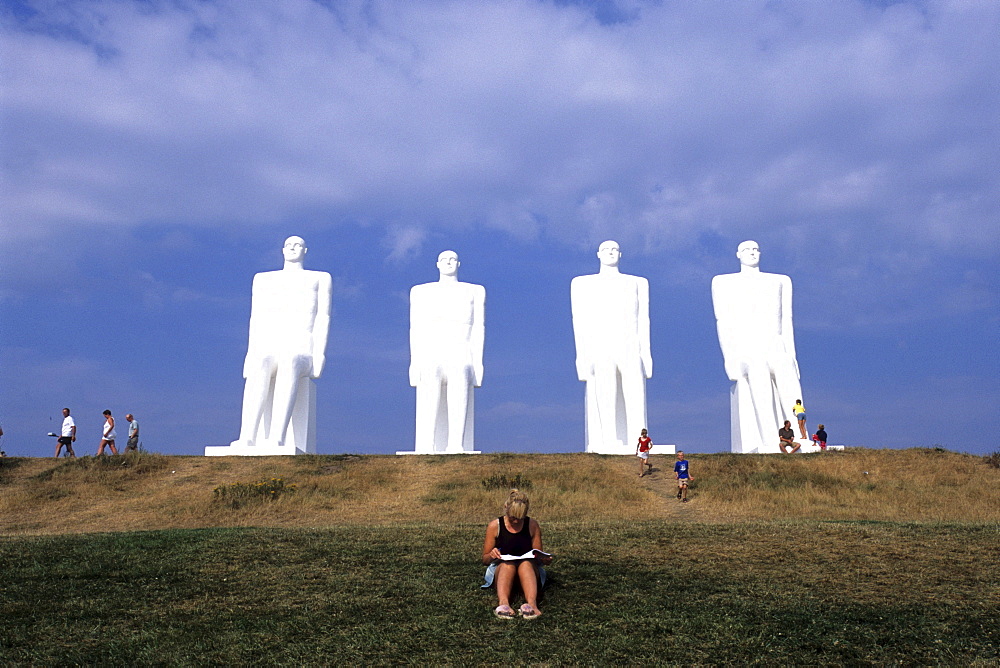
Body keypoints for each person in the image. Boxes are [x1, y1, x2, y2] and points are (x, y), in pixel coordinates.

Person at [232, 236, 332, 450]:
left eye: (298, 245)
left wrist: (319, 355)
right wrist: (250, 354)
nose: (293, 248)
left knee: (290, 360)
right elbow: (255, 317)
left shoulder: (319, 278)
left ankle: (277, 436)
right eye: (288, 245)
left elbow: (324, 317)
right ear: (282, 250)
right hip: (269, 346)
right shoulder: (263, 279)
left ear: (305, 251)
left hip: (302, 349)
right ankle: (247, 436)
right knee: (261, 363)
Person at [712, 241, 804, 453]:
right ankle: (770, 438)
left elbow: (786, 322)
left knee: (783, 364)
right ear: (738, 255)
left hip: (774, 346)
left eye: (755, 249)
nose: (752, 253)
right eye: (747, 250)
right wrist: (730, 358)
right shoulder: (724, 282)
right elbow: (722, 321)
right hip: (746, 350)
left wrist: (792, 356)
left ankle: (799, 435)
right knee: (758, 368)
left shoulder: (780, 281)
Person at [571, 240, 652, 453]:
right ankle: (608, 439)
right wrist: (582, 357)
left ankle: (639, 439)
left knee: (635, 393)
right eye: (606, 250)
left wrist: (647, 354)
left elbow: (643, 320)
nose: (610, 253)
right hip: (601, 345)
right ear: (598, 254)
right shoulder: (583, 283)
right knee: (605, 392)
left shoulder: (637, 283)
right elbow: (579, 321)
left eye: (614, 249)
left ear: (621, 254)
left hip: (629, 345)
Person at [409, 250, 485, 453]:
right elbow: (415, 328)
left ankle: (456, 444)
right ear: (437, 264)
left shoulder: (474, 291)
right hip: (432, 350)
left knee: (459, 373)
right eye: (444, 259)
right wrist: (414, 362)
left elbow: (479, 328)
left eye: (453, 259)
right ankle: (427, 443)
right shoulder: (421, 291)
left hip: (460, 349)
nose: (449, 262)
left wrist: (478, 362)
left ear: (459, 264)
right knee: (430, 374)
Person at [481, 489, 553, 620]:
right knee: (508, 565)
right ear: (505, 509)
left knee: (525, 564)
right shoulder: (494, 526)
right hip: (503, 570)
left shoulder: (532, 525)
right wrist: (492, 554)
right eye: (512, 517)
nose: (515, 521)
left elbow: (538, 555)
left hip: (527, 572)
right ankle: (503, 604)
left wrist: (544, 559)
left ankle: (532, 605)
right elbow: (485, 559)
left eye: (520, 518)